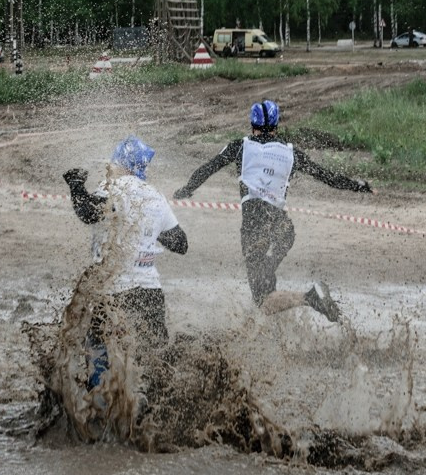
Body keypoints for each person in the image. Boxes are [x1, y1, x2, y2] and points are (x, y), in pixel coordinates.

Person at [172, 100, 373, 322]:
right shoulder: (292, 153)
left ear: (252, 124)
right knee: (266, 283)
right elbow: (328, 177)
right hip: (283, 230)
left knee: (263, 300)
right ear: (277, 125)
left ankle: (310, 298)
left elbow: (208, 168)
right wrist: (358, 185)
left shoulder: (241, 146)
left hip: (256, 227)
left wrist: (186, 189)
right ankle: (270, 329)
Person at [63, 135, 188, 349]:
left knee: (100, 353)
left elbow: (88, 213)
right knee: (153, 358)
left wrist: (76, 186)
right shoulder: (156, 195)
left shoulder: (114, 187)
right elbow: (181, 243)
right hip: (150, 292)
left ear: (119, 162)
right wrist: (146, 226)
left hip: (115, 292)